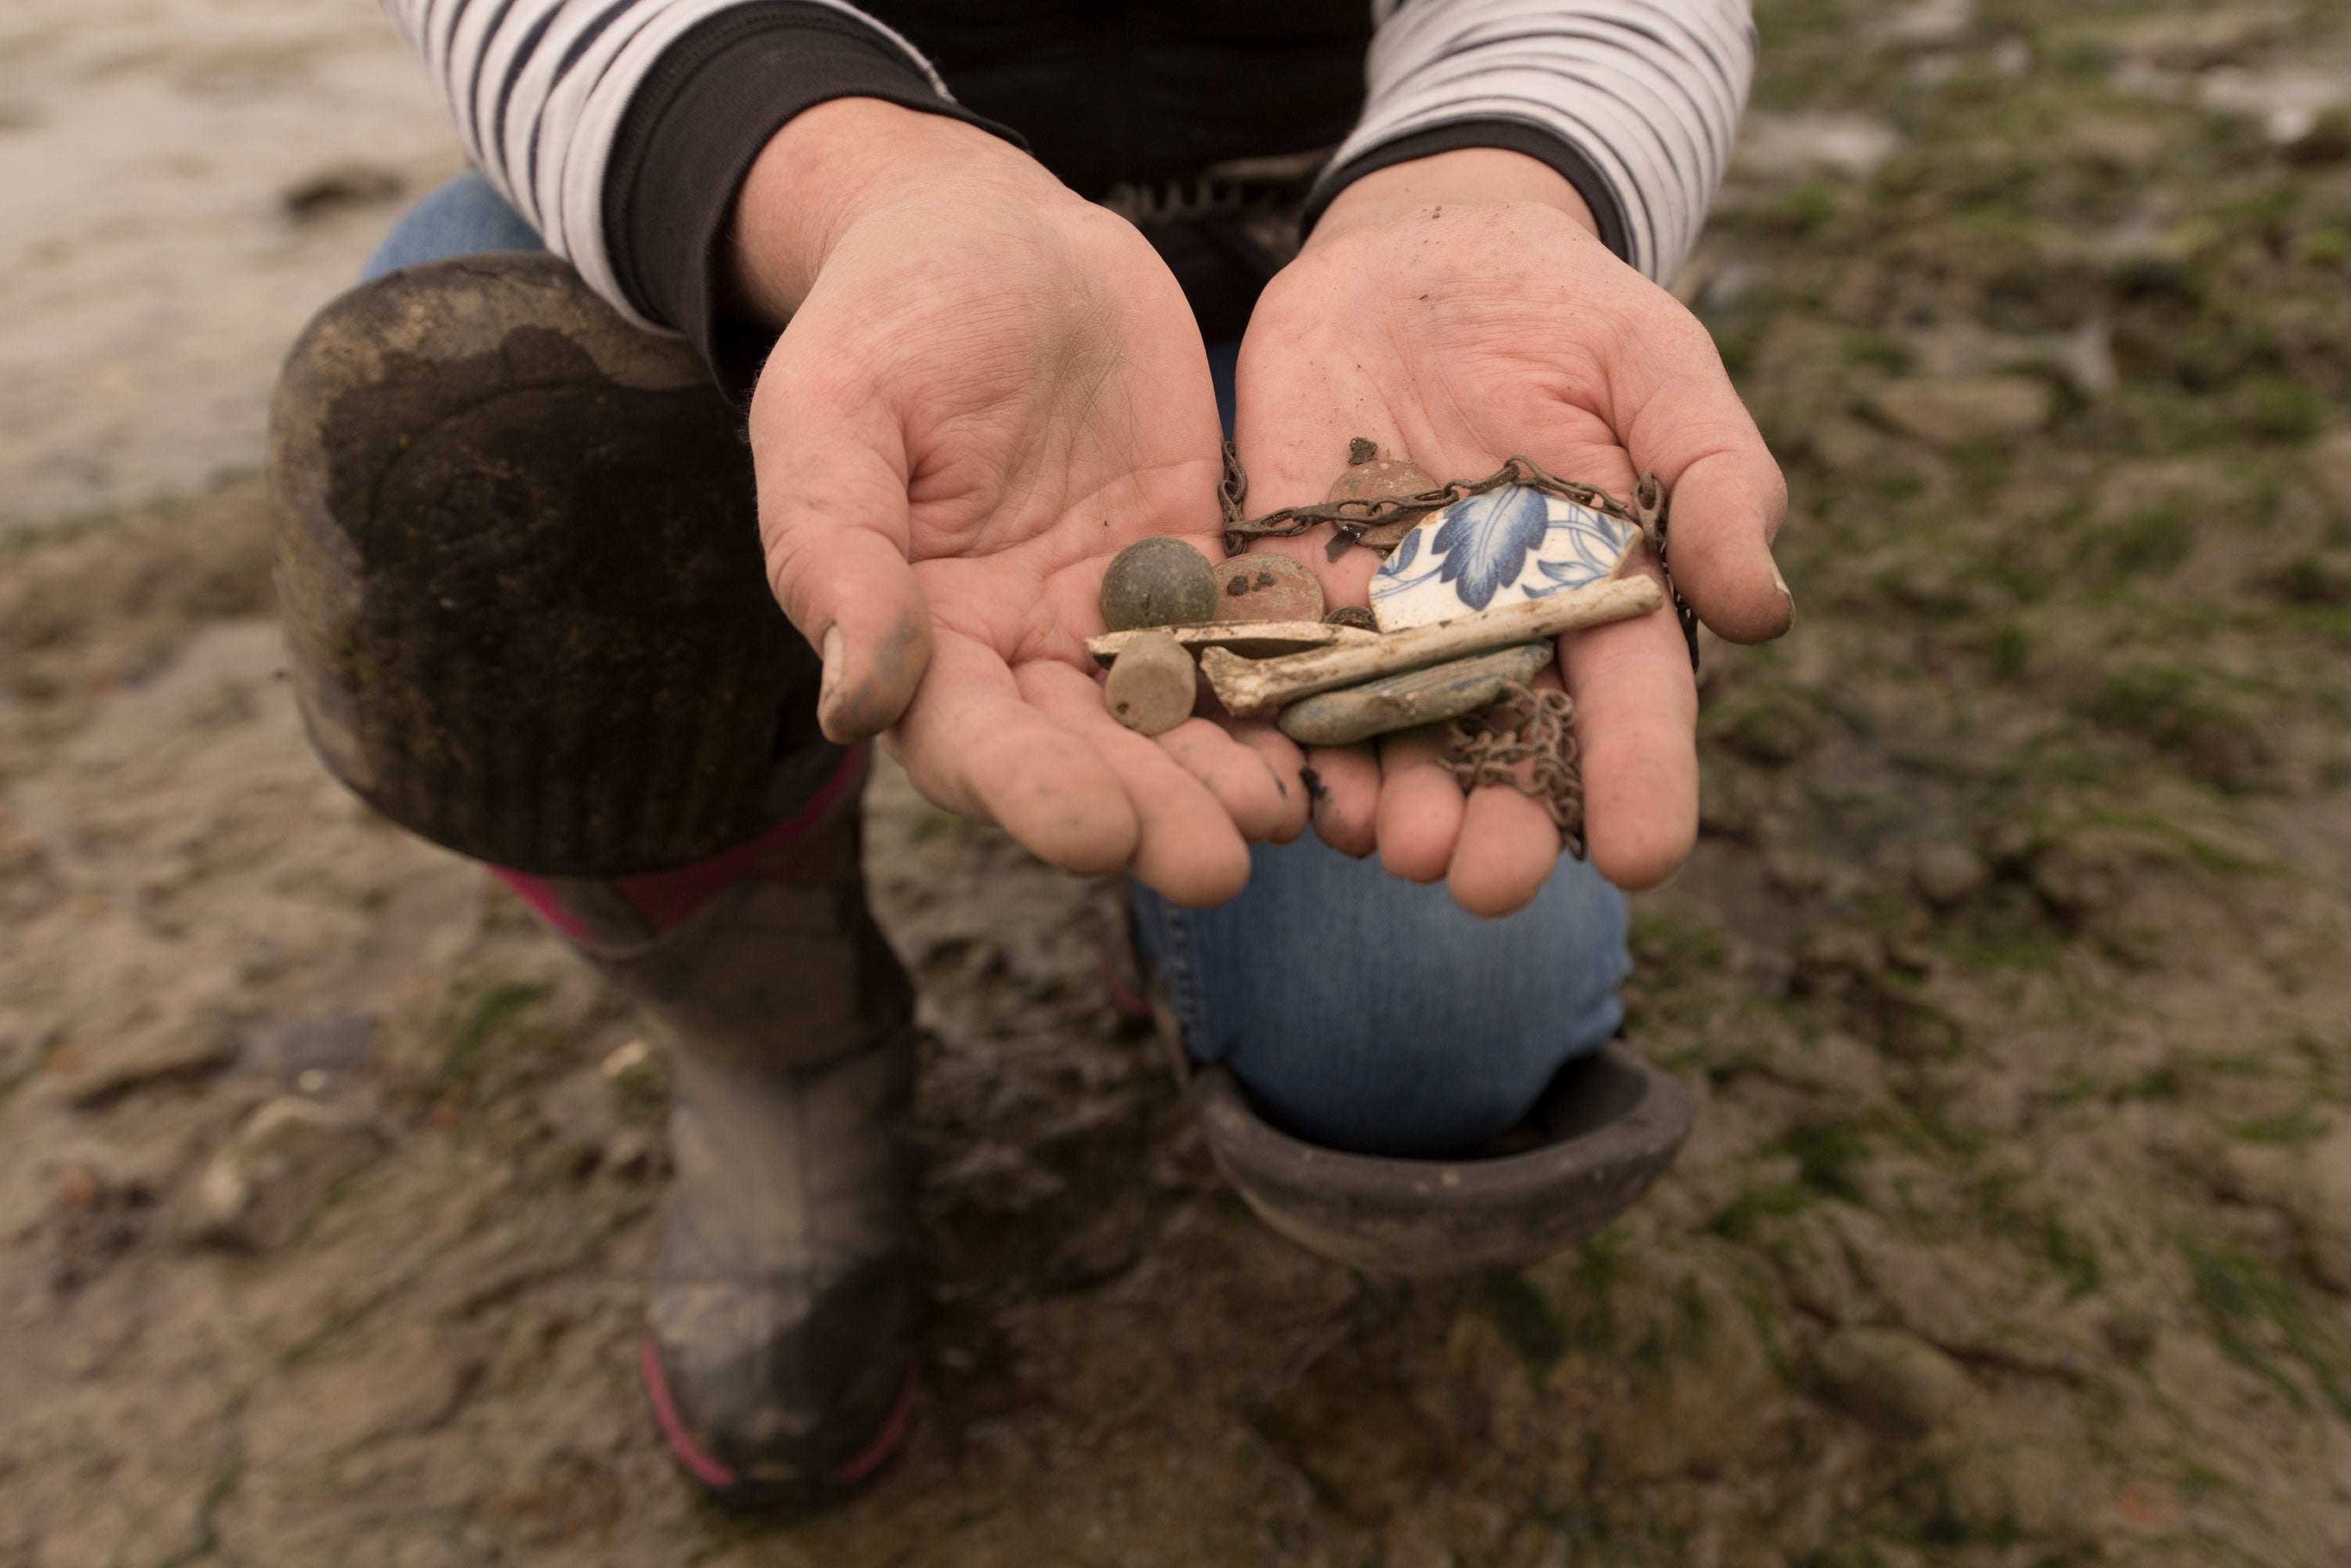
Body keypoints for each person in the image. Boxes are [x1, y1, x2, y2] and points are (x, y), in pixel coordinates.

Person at [269, 0, 1790, 1508]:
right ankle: (781, 1043)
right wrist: (857, 183)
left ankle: (1183, 920)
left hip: (1336, 287)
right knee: (476, 394)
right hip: (818, 217)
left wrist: (1493, 186)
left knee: (1430, 1032)